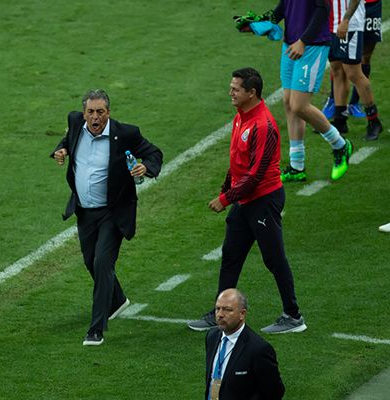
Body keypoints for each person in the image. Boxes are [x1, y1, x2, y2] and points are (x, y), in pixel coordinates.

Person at [187, 68, 306, 334]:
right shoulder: (241, 117)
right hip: (245, 200)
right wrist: (227, 187)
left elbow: (255, 174)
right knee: (230, 255)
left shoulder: (263, 125)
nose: (230, 92)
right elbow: (238, 162)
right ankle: (218, 314)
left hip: (263, 200)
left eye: (235, 89)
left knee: (274, 259)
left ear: (251, 93)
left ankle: (294, 316)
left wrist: (225, 198)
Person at [52, 89, 163, 346]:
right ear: (83, 114)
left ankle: (96, 329)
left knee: (103, 262)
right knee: (91, 261)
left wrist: (146, 167)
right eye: (90, 112)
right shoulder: (75, 122)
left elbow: (154, 153)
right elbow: (68, 139)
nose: (95, 117)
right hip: (84, 211)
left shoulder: (126, 134)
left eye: (100, 112)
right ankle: (118, 299)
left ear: (109, 113)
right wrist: (60, 151)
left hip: (113, 211)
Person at [265, 0, 353, 183]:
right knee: (289, 103)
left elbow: (323, 9)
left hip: (312, 45)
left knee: (299, 105)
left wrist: (303, 41)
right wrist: (262, 22)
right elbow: (285, 6)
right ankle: (297, 166)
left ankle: (341, 145)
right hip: (290, 44)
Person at [204, 289, 285, 400]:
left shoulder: (258, 349)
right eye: (218, 309)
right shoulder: (212, 336)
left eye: (227, 310)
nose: (220, 315)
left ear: (242, 314)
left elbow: (275, 392)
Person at [328, 0, 383, 140]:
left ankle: (374, 120)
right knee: (337, 70)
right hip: (330, 23)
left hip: (350, 25)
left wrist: (346, 20)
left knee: (353, 73)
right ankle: (340, 121)